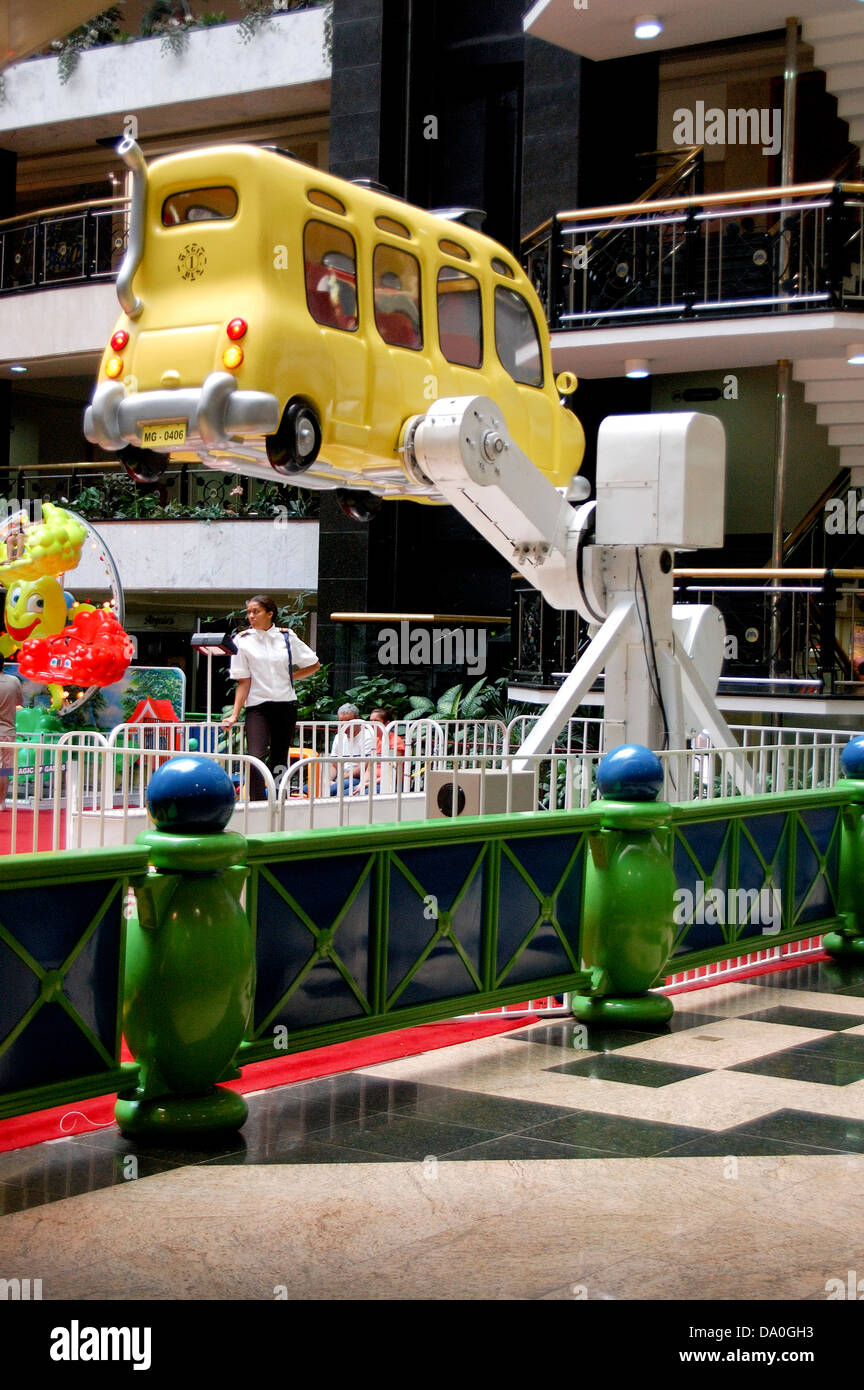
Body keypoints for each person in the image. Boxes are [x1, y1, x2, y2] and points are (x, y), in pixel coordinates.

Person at [221, 594, 320, 800]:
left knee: (279, 757)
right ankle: (257, 802)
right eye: (248, 612)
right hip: (258, 706)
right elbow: (243, 681)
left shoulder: (286, 636)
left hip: (285, 704)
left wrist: (291, 676)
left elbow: (314, 664)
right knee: (256, 757)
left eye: (256, 611)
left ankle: (279, 799)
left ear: (270, 613)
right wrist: (234, 714)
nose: (251, 616)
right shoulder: (242, 640)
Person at [329, 703, 375, 795]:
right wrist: (328, 780)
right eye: (342, 722)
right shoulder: (339, 737)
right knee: (309, 788)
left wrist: (341, 778)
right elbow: (333, 765)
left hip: (357, 778)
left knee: (332, 790)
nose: (345, 725)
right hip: (341, 777)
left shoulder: (368, 736)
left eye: (348, 721)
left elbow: (364, 766)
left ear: (358, 720)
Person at [0, 654, 23, 811]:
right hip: (8, 731)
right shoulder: (14, 681)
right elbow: (19, 702)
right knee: (5, 770)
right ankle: (1, 801)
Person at [369, 706, 405, 790]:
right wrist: (362, 783)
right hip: (373, 781)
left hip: (392, 783)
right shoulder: (376, 740)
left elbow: (391, 771)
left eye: (376, 721)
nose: (372, 725)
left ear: (387, 723)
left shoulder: (395, 741)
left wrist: (369, 784)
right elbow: (369, 768)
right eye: (371, 721)